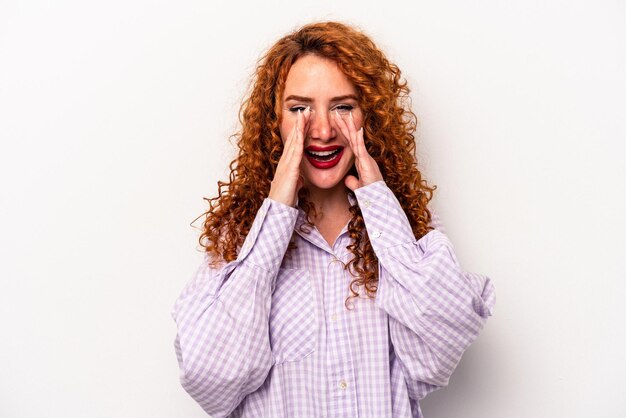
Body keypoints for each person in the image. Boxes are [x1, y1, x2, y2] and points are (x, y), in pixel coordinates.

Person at [171, 21, 495, 418]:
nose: (322, 130)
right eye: (300, 109)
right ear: (275, 121)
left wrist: (380, 205)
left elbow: (437, 354)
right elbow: (210, 382)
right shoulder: (239, 236)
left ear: (368, 116)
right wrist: (275, 215)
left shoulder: (407, 226)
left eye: (343, 106)